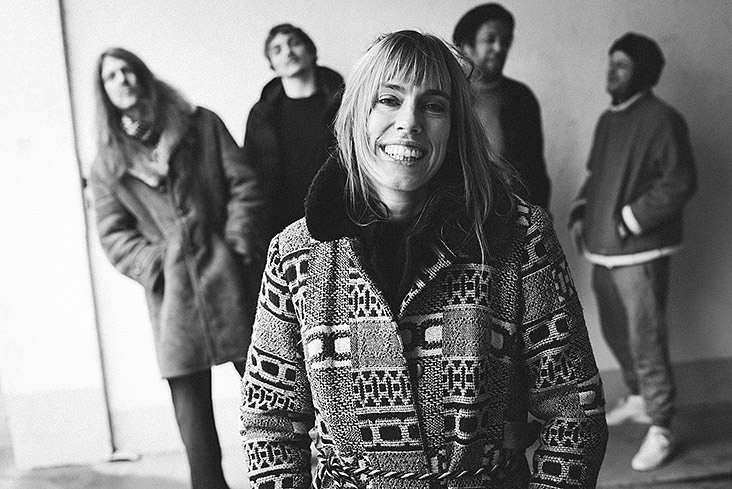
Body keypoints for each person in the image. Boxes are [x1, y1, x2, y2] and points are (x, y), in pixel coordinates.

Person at [241, 30, 607, 489]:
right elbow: (269, 425)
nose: (409, 122)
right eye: (388, 100)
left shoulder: (519, 237)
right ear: (355, 116)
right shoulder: (295, 254)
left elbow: (575, 412)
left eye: (434, 106)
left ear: (455, 127)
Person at [90, 48, 265, 489]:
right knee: (192, 417)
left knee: (270, 391)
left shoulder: (200, 124)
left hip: (230, 278)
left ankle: (291, 475)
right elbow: (113, 234)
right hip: (173, 299)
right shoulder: (108, 162)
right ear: (104, 92)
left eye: (127, 70)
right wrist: (156, 265)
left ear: (142, 75)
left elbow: (244, 184)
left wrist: (236, 243)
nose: (122, 79)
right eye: (111, 76)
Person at [569, 33, 697, 471]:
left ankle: (661, 424)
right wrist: (582, 211)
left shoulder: (664, 119)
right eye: (610, 63)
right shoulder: (609, 120)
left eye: (621, 66)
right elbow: (596, 177)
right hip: (603, 250)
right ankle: (640, 398)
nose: (611, 73)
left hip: (640, 252)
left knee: (647, 339)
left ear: (641, 73)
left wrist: (628, 219)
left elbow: (680, 182)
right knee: (615, 333)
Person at [243, 23, 344, 239]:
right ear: (272, 65)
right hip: (279, 224)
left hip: (335, 216)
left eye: (295, 43)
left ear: (311, 51)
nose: (288, 52)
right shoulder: (262, 115)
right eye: (277, 50)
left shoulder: (343, 104)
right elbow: (251, 170)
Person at [453, 3, 551, 209]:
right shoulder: (448, 95)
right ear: (466, 46)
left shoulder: (522, 98)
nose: (499, 49)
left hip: (511, 212)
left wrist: (539, 218)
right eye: (490, 39)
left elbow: (536, 171)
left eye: (505, 42)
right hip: (456, 211)